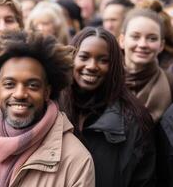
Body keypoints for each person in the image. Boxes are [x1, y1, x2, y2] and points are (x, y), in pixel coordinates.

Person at [0, 30, 95, 187]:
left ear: (47, 92)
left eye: (32, 85)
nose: (20, 94)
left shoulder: (76, 160)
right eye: (9, 84)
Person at [60, 27, 156, 187]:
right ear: (71, 59)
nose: (92, 66)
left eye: (103, 60)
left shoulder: (134, 119)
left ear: (114, 67)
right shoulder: (51, 108)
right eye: (84, 57)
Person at [119, 8, 172, 122]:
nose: (143, 44)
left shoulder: (171, 83)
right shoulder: (105, 81)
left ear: (161, 45)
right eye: (135, 36)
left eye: (152, 38)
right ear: (122, 40)